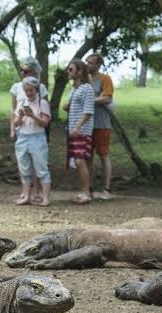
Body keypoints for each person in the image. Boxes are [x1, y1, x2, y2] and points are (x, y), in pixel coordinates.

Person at [9, 57, 49, 204]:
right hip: (23, 133)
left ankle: (40, 194)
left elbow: (44, 113)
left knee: (39, 165)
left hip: (37, 133)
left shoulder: (41, 96)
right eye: (22, 70)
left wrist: (33, 115)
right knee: (25, 166)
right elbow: (13, 111)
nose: (23, 72)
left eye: (26, 70)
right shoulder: (17, 89)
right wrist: (14, 126)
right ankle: (25, 194)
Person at [62, 59, 94, 204]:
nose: (68, 72)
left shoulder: (87, 88)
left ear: (80, 71)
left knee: (80, 161)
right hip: (72, 130)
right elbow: (71, 108)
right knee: (78, 161)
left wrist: (77, 128)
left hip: (81, 131)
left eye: (70, 69)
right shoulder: (74, 89)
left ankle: (86, 193)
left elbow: (88, 112)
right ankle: (85, 191)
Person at [86, 53, 114, 200]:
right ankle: (88, 189)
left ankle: (106, 189)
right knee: (87, 157)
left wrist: (91, 100)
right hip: (86, 124)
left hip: (101, 123)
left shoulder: (105, 79)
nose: (88, 65)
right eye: (87, 62)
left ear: (98, 65)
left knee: (103, 155)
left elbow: (107, 98)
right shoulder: (83, 80)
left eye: (90, 63)